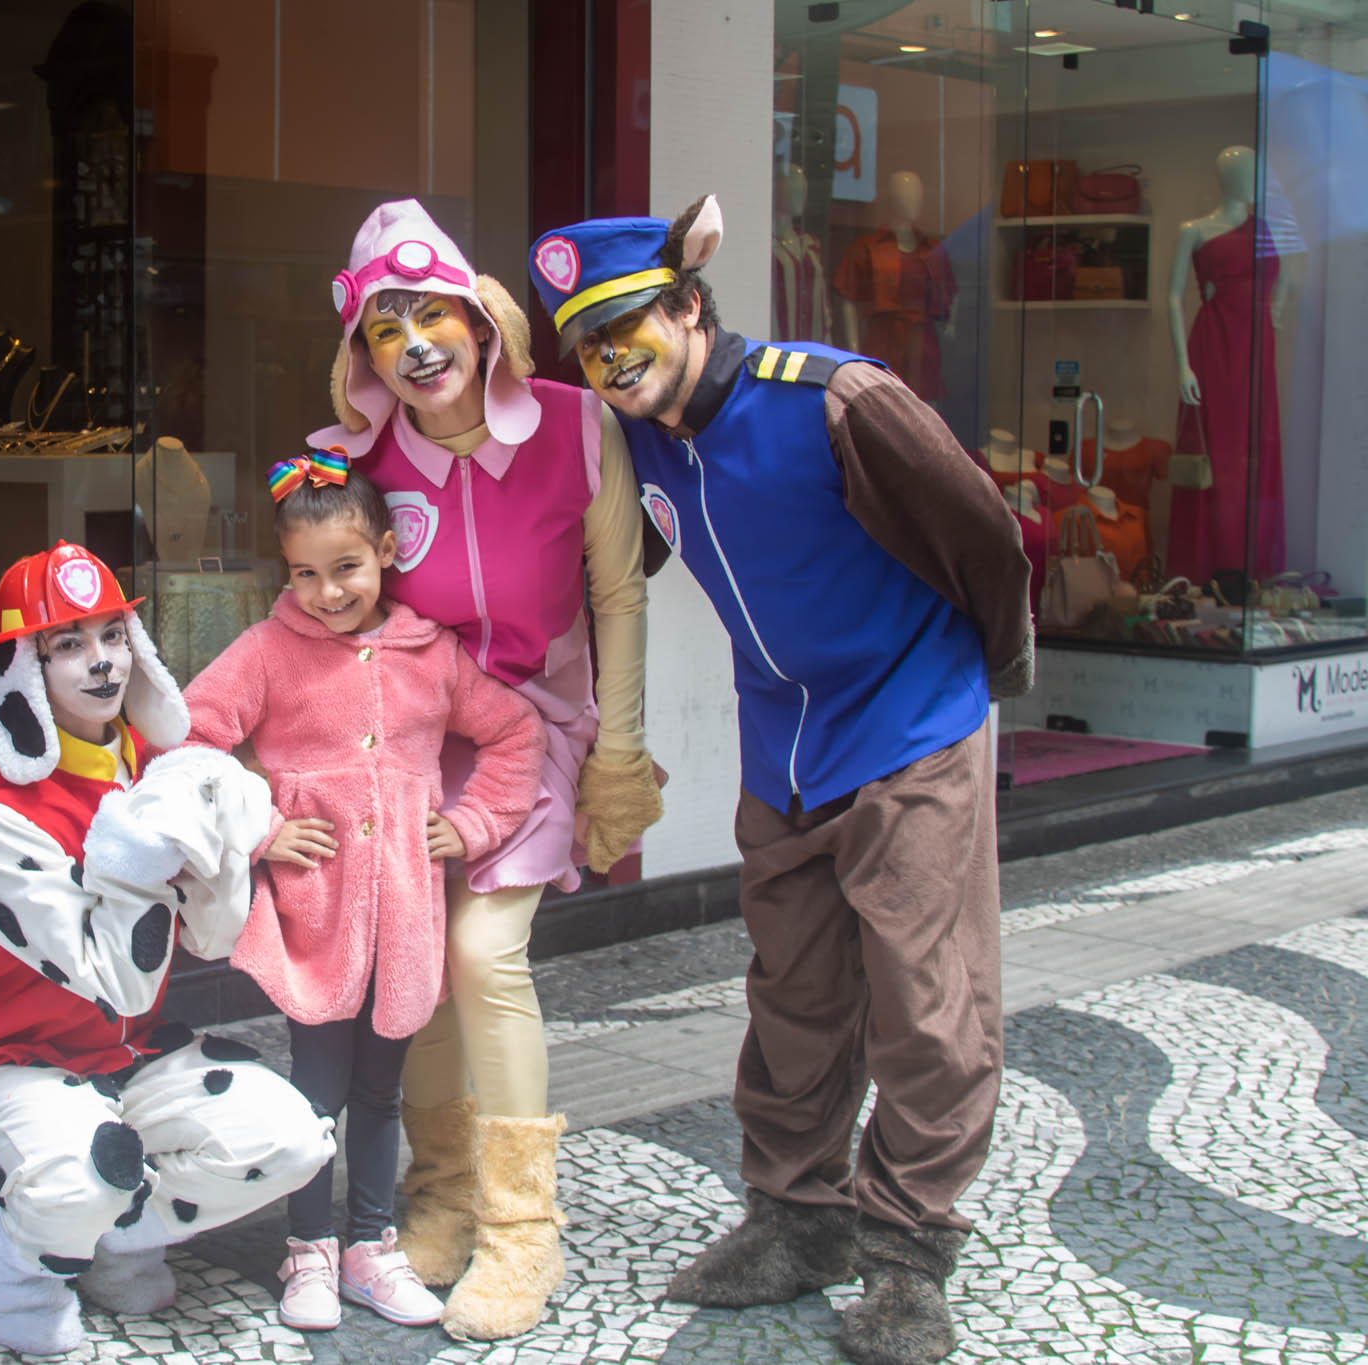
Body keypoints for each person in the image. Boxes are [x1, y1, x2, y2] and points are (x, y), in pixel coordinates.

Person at [527, 197, 1033, 1365]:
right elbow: (608, 561)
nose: (609, 360)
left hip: (909, 727)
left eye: (625, 327)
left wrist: (983, 682)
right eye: (587, 345)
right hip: (784, 751)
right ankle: (798, 1220)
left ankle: (907, 1258)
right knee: (794, 997)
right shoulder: (638, 441)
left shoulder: (832, 399)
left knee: (926, 1004)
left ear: (687, 305)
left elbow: (985, 540)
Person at [309, 199, 657, 1341]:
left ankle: (520, 1228)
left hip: (536, 731)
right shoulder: (356, 464)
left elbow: (618, 594)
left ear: (480, 319)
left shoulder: (576, 427)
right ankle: (442, 1197)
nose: (414, 345)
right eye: (384, 329)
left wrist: (617, 751)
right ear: (363, 358)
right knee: (415, 963)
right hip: (412, 750)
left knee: (480, 952)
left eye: (431, 315)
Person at [0, 540, 336, 1357]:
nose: (102, 662)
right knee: (76, 1175)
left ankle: (116, 1235)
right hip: (6, 1061)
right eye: (69, 643)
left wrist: (230, 839)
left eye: (113, 635)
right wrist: (140, 853)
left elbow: (213, 934)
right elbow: (116, 978)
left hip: (128, 1054)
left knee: (292, 1137)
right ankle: (12, 1254)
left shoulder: (156, 771)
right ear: (26, 668)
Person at [182, 457, 547, 1333]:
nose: (326, 592)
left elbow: (515, 731)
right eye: (304, 573)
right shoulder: (266, 651)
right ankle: (307, 1246)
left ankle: (371, 1244)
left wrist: (474, 823)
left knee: (381, 1090)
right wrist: (260, 829)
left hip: (406, 917)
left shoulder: (433, 655)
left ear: (385, 550)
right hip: (316, 918)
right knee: (316, 1090)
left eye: (345, 567)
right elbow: (187, 741)